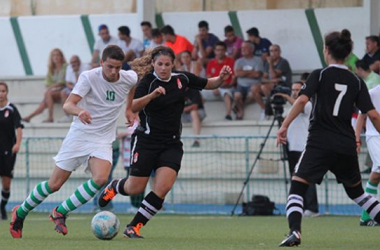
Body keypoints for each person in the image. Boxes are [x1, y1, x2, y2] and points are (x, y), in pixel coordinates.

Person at [97, 46, 232, 238]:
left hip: (171, 144)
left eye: (167, 64)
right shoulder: (146, 82)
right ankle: (115, 187)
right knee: (135, 188)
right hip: (146, 141)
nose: (163, 68)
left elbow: (208, 83)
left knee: (162, 188)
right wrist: (152, 96)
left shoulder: (182, 79)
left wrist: (221, 78)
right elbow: (132, 106)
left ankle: (134, 227)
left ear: (173, 64)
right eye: (159, 64)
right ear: (153, 64)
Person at [10, 45, 138, 238]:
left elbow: (132, 86)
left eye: (118, 67)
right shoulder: (88, 77)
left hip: (102, 139)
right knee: (54, 184)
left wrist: (129, 109)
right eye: (110, 66)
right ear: (101, 62)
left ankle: (60, 212)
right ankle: (20, 212)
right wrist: (80, 111)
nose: (114, 72)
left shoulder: (129, 77)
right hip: (80, 135)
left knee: (101, 178)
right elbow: (68, 104)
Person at [277, 29, 380, 247]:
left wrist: (284, 125)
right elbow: (372, 115)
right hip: (346, 145)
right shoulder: (356, 81)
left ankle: (295, 231)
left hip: (319, 143)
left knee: (297, 186)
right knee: (359, 195)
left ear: (326, 51)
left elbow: (301, 100)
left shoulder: (319, 74)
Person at [276, 81, 319, 217]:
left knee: (306, 178)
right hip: (292, 146)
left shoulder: (307, 104)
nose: (295, 92)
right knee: (295, 179)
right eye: (293, 90)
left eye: (298, 90)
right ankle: (300, 205)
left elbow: (299, 106)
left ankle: (312, 207)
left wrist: (285, 96)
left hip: (303, 146)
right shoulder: (292, 107)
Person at [355, 84, 380, 226]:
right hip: (374, 136)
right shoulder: (371, 93)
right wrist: (356, 138)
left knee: (376, 175)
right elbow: (361, 117)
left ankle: (365, 216)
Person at [23, 48, 67, 123]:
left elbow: (62, 82)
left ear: (61, 56)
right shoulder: (51, 69)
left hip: (64, 90)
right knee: (45, 100)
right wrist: (51, 88)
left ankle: (49, 117)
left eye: (57, 55)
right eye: (53, 55)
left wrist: (50, 88)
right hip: (55, 92)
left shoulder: (65, 66)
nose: (55, 57)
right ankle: (29, 117)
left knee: (47, 94)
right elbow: (48, 83)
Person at [0, 82, 23, 220]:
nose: (1, 93)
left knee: (6, 183)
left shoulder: (12, 109)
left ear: (6, 92)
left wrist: (18, 144)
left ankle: (2, 206)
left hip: (8, 151)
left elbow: (19, 127)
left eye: (3, 91)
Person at [251, 44, 292, 120]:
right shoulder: (267, 63)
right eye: (271, 51)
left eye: (275, 50)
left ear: (280, 52)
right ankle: (264, 110)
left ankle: (272, 108)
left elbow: (273, 75)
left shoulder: (283, 62)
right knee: (254, 88)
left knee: (264, 87)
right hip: (272, 85)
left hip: (283, 86)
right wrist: (271, 80)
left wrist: (270, 64)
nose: (273, 53)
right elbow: (263, 79)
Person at [233, 41, 263, 120]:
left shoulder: (258, 60)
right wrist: (251, 72)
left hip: (253, 85)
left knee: (251, 95)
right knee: (237, 96)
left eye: (245, 47)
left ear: (251, 49)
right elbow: (237, 73)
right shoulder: (238, 61)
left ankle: (239, 108)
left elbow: (257, 74)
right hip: (241, 85)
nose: (242, 49)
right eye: (242, 48)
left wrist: (243, 72)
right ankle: (241, 110)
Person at [206, 41, 235, 120]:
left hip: (227, 86)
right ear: (214, 51)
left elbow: (233, 78)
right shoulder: (211, 63)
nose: (220, 52)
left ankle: (228, 114)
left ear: (225, 50)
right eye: (218, 50)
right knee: (198, 92)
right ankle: (201, 114)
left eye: (222, 50)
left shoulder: (231, 61)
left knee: (226, 93)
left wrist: (228, 84)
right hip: (214, 86)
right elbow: (208, 78)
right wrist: (214, 87)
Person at [58, 55, 90, 123]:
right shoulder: (69, 68)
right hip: (73, 88)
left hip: (85, 89)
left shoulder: (86, 67)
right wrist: (75, 89)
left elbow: (86, 82)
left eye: (75, 62)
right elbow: (68, 83)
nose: (73, 64)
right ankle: (68, 116)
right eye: (72, 62)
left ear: (79, 62)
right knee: (63, 92)